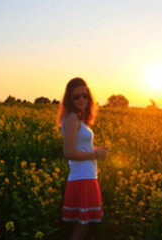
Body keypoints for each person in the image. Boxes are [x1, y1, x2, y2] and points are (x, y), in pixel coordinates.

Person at [57, 77, 110, 240]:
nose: (81, 100)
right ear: (69, 99)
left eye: (84, 95)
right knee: (82, 226)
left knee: (84, 225)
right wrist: (95, 155)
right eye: (76, 97)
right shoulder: (72, 117)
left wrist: (95, 150)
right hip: (82, 178)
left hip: (86, 175)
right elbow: (69, 152)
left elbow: (78, 148)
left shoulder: (76, 118)